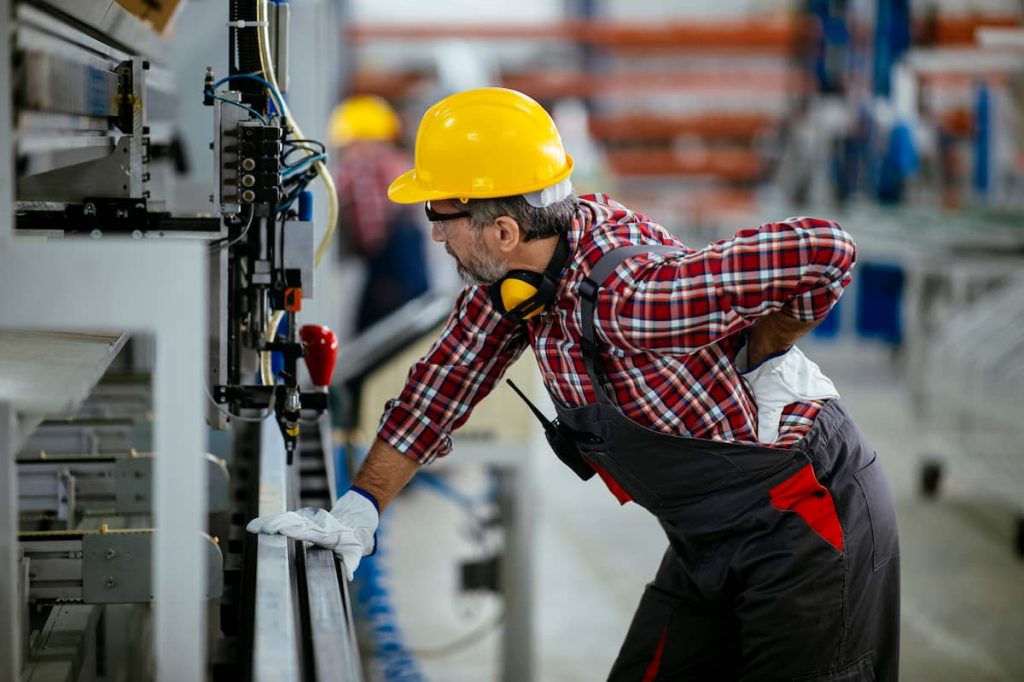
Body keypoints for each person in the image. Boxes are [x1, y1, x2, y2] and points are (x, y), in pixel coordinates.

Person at [250, 88, 900, 681]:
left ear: (503, 231)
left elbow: (825, 250)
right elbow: (440, 387)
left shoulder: (633, 293)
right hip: (711, 540)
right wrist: (360, 510)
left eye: (441, 214)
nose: (435, 233)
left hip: (807, 520)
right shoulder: (517, 285)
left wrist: (770, 344)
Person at [328, 94, 430, 332]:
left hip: (390, 266)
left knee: (375, 331)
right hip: (407, 265)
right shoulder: (399, 163)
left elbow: (370, 232)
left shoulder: (362, 169)